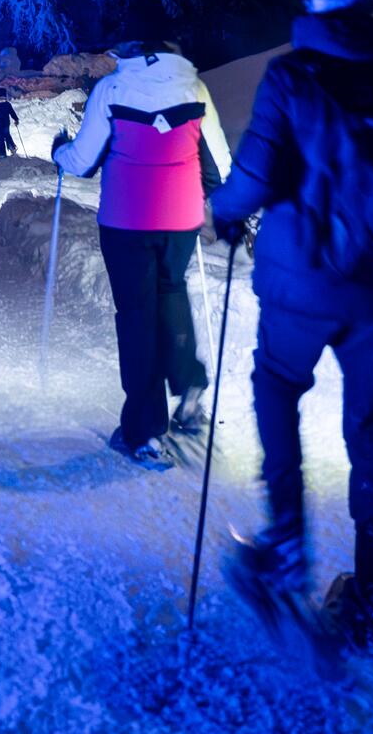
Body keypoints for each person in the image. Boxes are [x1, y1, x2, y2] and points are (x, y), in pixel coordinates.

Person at [210, 0, 373, 651]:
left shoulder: (292, 76)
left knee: (277, 390)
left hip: (301, 287)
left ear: (313, 4)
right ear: (366, 2)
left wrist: (223, 211)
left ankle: (285, 546)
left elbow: (256, 174)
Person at [52, 41, 232, 468]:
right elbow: (219, 165)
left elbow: (82, 160)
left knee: (136, 315)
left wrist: (59, 149)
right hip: (180, 220)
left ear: (130, 52)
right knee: (171, 292)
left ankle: (145, 430)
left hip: (127, 221)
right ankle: (187, 381)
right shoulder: (195, 87)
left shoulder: (113, 90)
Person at [0, 88, 20, 158]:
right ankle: (12, 148)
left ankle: (2, 153)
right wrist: (16, 119)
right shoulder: (7, 104)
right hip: (6, 123)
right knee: (7, 134)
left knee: (0, 137)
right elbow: (12, 112)